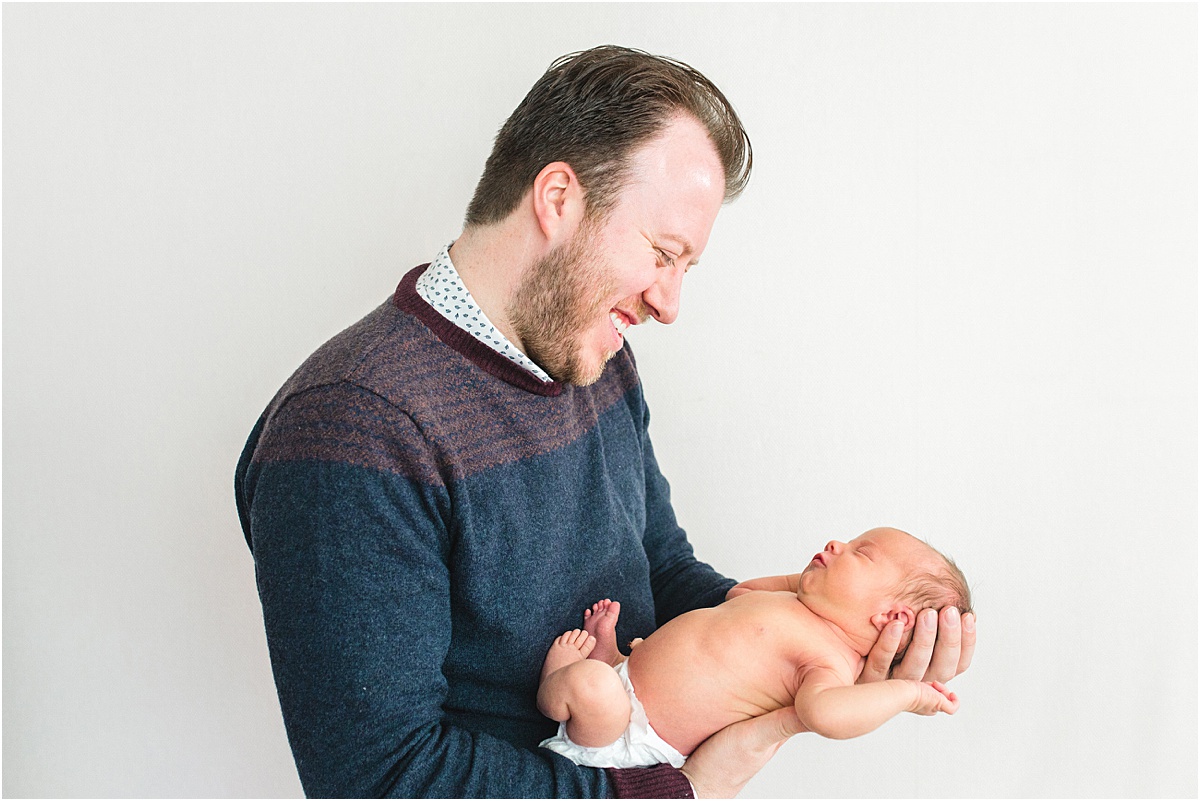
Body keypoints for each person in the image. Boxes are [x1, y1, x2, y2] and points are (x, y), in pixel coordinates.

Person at [234, 45, 976, 798]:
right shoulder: (354, 428)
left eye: (686, 268)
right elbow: (383, 780)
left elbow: (659, 569)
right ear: (559, 197)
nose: (669, 303)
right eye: (662, 252)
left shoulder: (591, 352)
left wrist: (840, 642)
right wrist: (676, 791)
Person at [537, 528, 971, 770]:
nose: (837, 542)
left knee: (590, 688)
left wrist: (909, 694)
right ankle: (608, 657)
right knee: (603, 679)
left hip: (629, 733)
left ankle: (554, 685)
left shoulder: (830, 662)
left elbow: (824, 714)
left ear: (891, 618)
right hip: (629, 676)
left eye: (862, 553)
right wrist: (809, 582)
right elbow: (738, 594)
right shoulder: (799, 609)